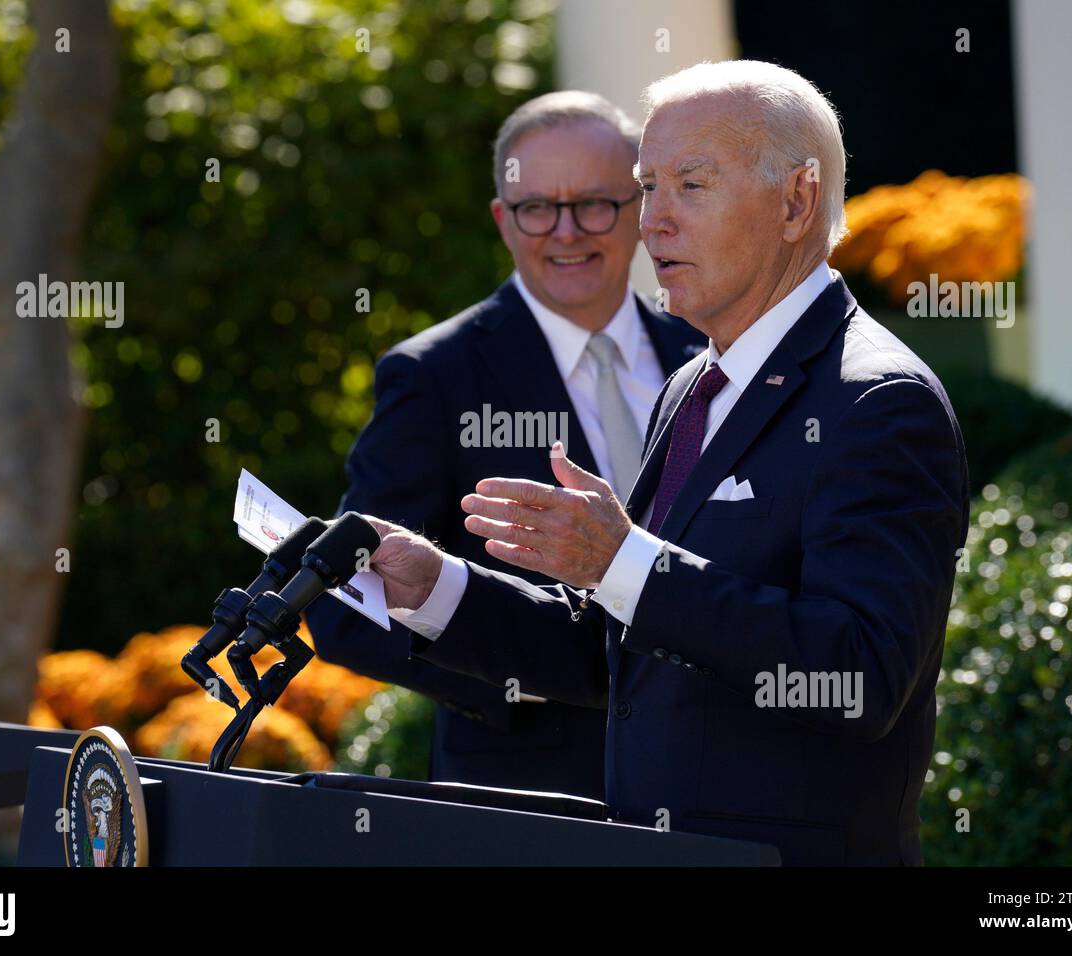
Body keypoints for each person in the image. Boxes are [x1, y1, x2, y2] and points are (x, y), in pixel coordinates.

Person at [365, 61, 970, 865]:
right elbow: (628, 651)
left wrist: (626, 563)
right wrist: (437, 587)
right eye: (649, 187)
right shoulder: (694, 385)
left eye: (691, 184)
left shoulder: (876, 400)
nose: (653, 222)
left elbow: (858, 677)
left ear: (796, 201)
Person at [305, 91, 704, 799]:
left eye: (594, 204)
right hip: (526, 791)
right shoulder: (435, 375)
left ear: (640, 211)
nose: (566, 231)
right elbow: (344, 608)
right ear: (502, 218)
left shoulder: (709, 356)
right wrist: (527, 679)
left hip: (708, 776)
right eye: (536, 208)